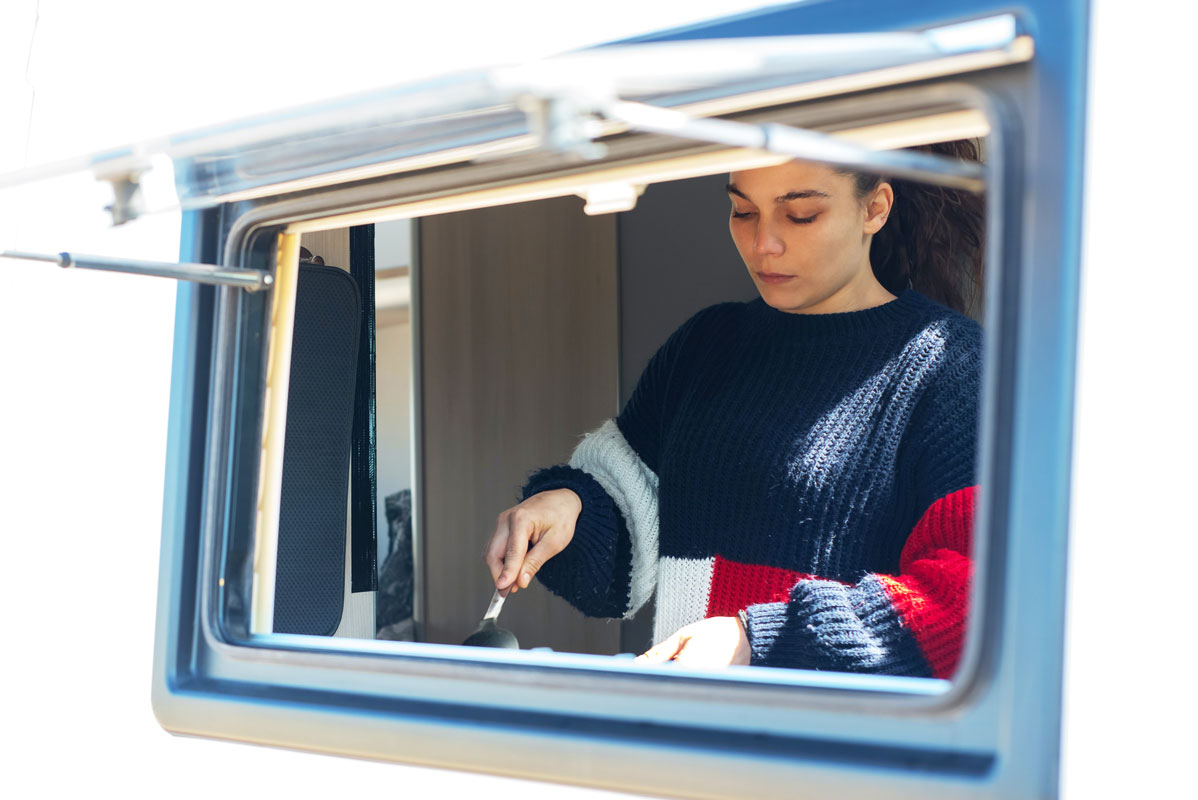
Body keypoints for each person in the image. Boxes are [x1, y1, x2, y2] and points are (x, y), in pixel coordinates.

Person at [484, 141, 984, 678]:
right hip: (685, 721)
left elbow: (972, 602)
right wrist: (570, 508)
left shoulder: (949, 363)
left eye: (800, 214)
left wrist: (758, 638)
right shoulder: (707, 345)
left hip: (833, 732)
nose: (763, 243)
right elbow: (622, 552)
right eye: (743, 211)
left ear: (875, 209)